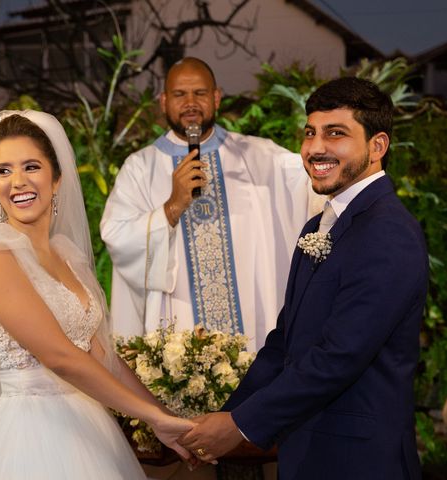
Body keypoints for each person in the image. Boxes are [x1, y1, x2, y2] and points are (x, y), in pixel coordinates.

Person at [0, 110, 195, 479]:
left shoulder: (67, 256)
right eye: (3, 171)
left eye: (31, 166)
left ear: (56, 179)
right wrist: (151, 416)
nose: (18, 182)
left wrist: (162, 418)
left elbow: (100, 354)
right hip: (28, 436)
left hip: (86, 427)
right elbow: (60, 356)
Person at [180, 77, 429, 480]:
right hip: (308, 453)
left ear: (377, 146)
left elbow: (339, 357)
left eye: (336, 134)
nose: (315, 148)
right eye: (310, 133)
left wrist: (239, 426)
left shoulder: (388, 232)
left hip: (360, 462)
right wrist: (225, 417)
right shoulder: (318, 226)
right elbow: (285, 344)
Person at [101, 57, 322, 351]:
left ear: (216, 98)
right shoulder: (140, 168)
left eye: (200, 93)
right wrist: (171, 207)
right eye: (180, 95)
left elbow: (318, 185)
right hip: (178, 342)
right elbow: (117, 237)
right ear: (164, 101)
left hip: (253, 333)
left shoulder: (260, 157)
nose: (190, 103)